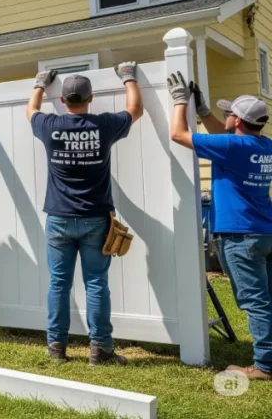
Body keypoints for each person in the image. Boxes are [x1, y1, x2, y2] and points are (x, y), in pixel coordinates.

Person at [26, 62, 142, 365]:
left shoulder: (50, 126)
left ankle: (56, 348)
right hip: (95, 219)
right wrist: (128, 77)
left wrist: (40, 84)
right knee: (96, 284)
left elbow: (31, 111)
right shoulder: (104, 126)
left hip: (59, 219)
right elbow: (135, 109)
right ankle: (100, 349)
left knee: (58, 284)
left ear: (63, 101)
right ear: (90, 99)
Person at [168, 75, 272, 381]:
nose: (224, 117)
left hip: (241, 237)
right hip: (264, 232)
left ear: (237, 121)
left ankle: (265, 366)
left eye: (228, 113)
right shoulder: (263, 145)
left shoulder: (232, 146)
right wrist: (203, 112)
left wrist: (179, 101)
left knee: (257, 303)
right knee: (267, 299)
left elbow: (177, 134)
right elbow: (223, 136)